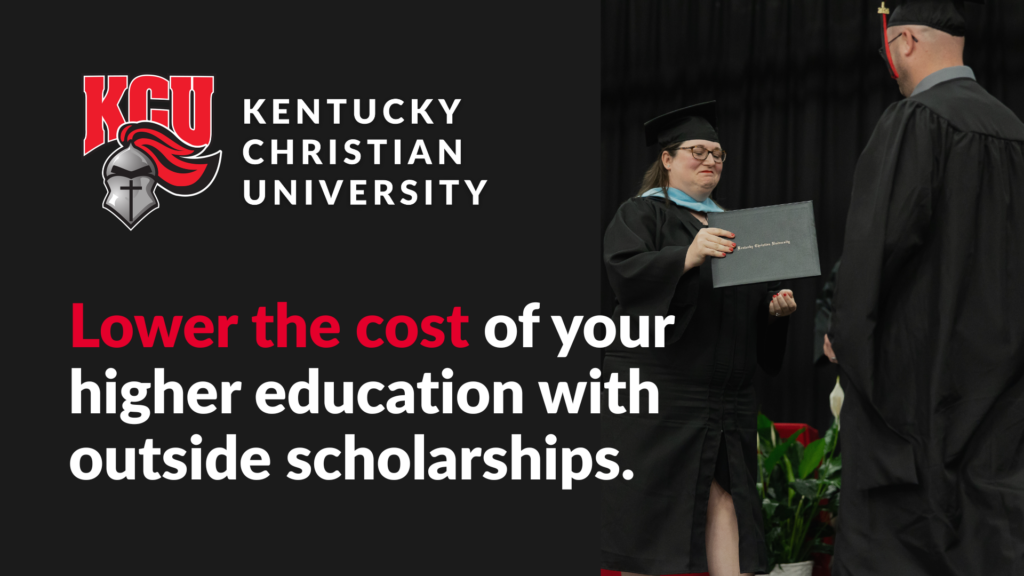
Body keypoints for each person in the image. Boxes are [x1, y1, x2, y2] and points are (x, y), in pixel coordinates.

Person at [825, 1, 1024, 574]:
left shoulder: (915, 121)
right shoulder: (1014, 131)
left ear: (904, 41)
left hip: (917, 405)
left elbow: (871, 262)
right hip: (1004, 409)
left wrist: (849, 350)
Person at [601, 101, 797, 576]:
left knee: (726, 495)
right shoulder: (642, 215)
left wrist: (773, 312)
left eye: (718, 153)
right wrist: (685, 257)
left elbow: (744, 305)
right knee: (649, 516)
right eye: (698, 151)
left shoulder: (739, 228)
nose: (711, 160)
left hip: (726, 396)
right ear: (667, 159)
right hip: (664, 393)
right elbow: (625, 275)